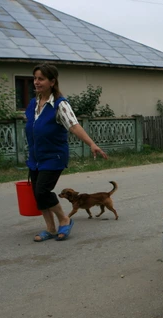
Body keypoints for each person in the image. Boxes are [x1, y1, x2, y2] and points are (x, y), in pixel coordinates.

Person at [25, 62, 108, 242]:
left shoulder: (60, 105)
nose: (36, 82)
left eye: (41, 79)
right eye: (35, 78)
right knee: (37, 195)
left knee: (42, 191)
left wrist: (91, 144)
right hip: (35, 158)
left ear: (52, 82)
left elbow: (74, 125)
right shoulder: (33, 104)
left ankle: (64, 219)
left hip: (54, 157)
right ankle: (50, 228)